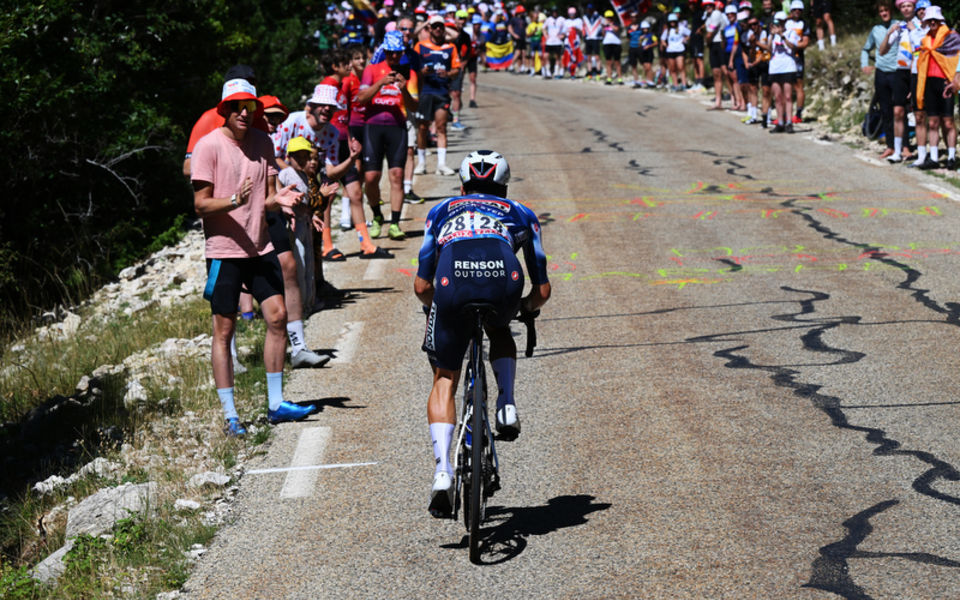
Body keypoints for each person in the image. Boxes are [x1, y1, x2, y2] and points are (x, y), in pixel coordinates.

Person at [414, 150, 551, 517]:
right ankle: (506, 403)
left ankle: (443, 472)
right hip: (503, 280)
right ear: (503, 188)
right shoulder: (521, 213)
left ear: (462, 185)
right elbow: (542, 290)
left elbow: (421, 284)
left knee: (445, 377)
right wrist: (524, 309)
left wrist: (435, 308)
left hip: (452, 280)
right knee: (500, 327)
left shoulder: (441, 211)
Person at [191, 79, 315, 435]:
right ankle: (231, 416)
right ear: (226, 111)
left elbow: (268, 197)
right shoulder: (208, 146)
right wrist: (233, 201)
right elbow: (200, 204)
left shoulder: (263, 142)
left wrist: (285, 199)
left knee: (277, 317)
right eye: (238, 107)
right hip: (224, 250)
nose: (245, 114)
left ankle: (276, 404)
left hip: (259, 246)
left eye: (250, 108)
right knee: (224, 329)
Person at [357, 31, 419, 241]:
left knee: (397, 176)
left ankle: (394, 223)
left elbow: (414, 105)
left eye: (397, 53)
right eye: (390, 53)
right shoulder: (372, 70)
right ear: (385, 51)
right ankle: (376, 216)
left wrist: (404, 90)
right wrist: (380, 83)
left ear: (402, 52)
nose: (393, 57)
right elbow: (360, 99)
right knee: (371, 177)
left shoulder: (407, 72)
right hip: (373, 127)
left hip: (397, 127)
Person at [413, 15, 462, 176]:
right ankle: (421, 163)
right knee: (422, 127)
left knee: (441, 127)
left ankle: (441, 164)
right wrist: (422, 72)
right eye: (435, 26)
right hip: (424, 91)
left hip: (442, 92)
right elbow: (412, 69)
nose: (438, 29)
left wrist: (447, 73)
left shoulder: (450, 48)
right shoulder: (420, 46)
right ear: (430, 29)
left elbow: (457, 70)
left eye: (441, 26)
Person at [914, 5, 958, 169]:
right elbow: (920, 64)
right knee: (932, 122)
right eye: (929, 19)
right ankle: (933, 158)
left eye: (935, 19)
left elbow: (956, 61)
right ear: (925, 21)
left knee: (948, 122)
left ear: (940, 20)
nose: (932, 22)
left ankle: (951, 157)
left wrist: (955, 80)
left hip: (946, 82)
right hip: (929, 83)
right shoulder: (925, 41)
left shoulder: (952, 37)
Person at [863, 1, 904, 161]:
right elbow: (866, 49)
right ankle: (890, 146)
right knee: (886, 110)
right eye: (881, 11)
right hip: (881, 73)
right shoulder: (876, 29)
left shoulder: (899, 25)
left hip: (897, 72)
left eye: (886, 10)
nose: (884, 13)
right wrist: (864, 64)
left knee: (900, 111)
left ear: (891, 11)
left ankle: (905, 146)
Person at [760, 11, 799, 133]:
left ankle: (789, 122)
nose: (778, 25)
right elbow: (769, 49)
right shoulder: (773, 35)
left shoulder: (790, 33)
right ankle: (780, 121)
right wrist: (772, 35)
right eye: (777, 23)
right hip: (775, 68)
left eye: (781, 22)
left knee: (787, 96)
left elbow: (793, 46)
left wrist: (782, 35)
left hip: (787, 67)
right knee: (777, 96)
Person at [785, 0, 812, 123]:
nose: (797, 12)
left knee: (798, 85)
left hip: (797, 58)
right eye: (795, 9)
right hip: (784, 57)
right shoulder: (785, 22)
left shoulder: (804, 24)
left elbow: (805, 43)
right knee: (786, 85)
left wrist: (793, 45)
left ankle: (798, 114)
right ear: (791, 11)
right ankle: (786, 113)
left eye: (799, 10)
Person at [702, 0, 728, 109]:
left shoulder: (716, 14)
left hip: (719, 43)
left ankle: (737, 98)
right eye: (706, 6)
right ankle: (718, 101)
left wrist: (706, 41)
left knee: (725, 72)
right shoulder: (707, 16)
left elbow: (710, 34)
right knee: (716, 73)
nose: (708, 7)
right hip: (713, 45)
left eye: (709, 5)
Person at [663, 13, 690, 91]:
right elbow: (662, 39)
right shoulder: (667, 30)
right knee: (672, 68)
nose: (672, 23)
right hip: (670, 51)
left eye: (674, 21)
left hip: (679, 50)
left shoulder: (681, 28)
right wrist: (666, 45)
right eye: (671, 21)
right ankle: (675, 85)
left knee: (681, 66)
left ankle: (684, 84)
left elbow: (689, 33)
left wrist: (685, 39)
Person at [583, 4, 604, 79]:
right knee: (588, 57)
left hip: (596, 38)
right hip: (588, 39)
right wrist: (584, 36)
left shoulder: (599, 17)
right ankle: (589, 72)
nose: (589, 10)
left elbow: (604, 25)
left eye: (591, 9)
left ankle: (598, 72)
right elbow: (583, 27)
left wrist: (601, 34)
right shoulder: (585, 17)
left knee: (597, 56)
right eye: (588, 9)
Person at [543, 6, 565, 78]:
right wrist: (546, 35)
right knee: (546, 56)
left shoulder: (561, 19)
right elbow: (543, 28)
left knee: (557, 57)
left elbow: (566, 28)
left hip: (557, 41)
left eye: (556, 11)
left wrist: (563, 35)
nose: (554, 13)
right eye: (553, 12)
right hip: (549, 41)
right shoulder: (549, 19)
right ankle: (548, 71)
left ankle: (556, 71)